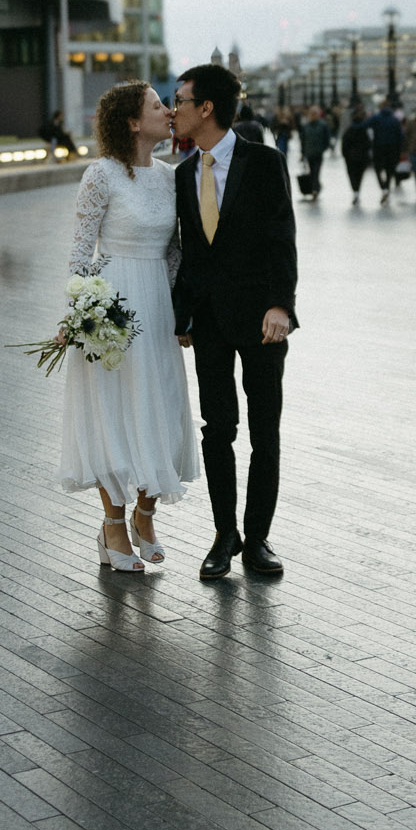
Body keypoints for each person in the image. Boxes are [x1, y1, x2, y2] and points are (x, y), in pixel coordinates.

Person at [61, 79, 199, 573]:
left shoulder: (170, 176)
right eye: (158, 106)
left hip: (157, 306)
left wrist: (182, 311)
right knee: (113, 414)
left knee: (156, 408)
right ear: (133, 122)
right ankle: (113, 526)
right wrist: (82, 316)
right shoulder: (100, 176)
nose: (168, 112)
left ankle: (145, 514)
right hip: (113, 305)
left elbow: (176, 251)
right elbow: (80, 253)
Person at [172, 62, 297, 582]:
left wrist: (280, 306)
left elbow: (281, 237)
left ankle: (258, 539)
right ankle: (225, 535)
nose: (173, 109)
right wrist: (183, 316)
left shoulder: (264, 163)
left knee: (264, 431)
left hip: (262, 321)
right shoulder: (182, 174)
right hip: (209, 324)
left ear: (206, 107)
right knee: (217, 428)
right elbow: (189, 254)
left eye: (180, 100)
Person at [368, 100, 402, 204]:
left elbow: (365, 126)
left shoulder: (376, 118)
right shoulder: (394, 119)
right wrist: (400, 149)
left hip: (378, 148)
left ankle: (383, 188)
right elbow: (400, 136)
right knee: (389, 170)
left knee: (378, 169)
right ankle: (387, 186)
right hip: (392, 149)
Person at [341, 105, 373, 204]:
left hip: (350, 158)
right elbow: (368, 144)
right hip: (362, 157)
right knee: (359, 175)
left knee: (352, 175)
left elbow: (344, 145)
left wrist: (345, 155)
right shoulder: (364, 131)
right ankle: (357, 190)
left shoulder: (349, 131)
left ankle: (355, 190)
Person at [298, 104, 331, 198]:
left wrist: (324, 148)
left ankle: (315, 189)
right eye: (312, 113)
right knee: (312, 171)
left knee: (316, 171)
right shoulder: (306, 126)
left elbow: (327, 138)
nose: (313, 115)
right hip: (309, 152)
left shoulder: (323, 125)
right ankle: (316, 186)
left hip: (318, 153)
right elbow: (303, 140)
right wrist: (302, 153)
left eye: (315, 113)